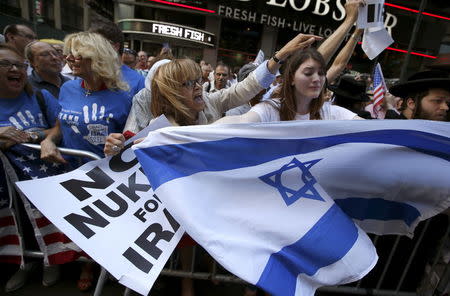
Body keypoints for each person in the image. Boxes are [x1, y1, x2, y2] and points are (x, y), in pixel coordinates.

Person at [0, 44, 66, 292]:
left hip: (44, 174)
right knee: (18, 223)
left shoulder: (39, 96)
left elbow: (60, 126)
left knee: (47, 218)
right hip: (7, 188)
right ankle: (23, 265)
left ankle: (52, 262)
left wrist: (42, 138)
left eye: (20, 65)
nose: (16, 69)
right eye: (7, 64)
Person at [214, 47, 361, 125]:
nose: (317, 79)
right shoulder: (270, 110)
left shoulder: (331, 113)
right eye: (308, 73)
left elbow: (370, 130)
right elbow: (239, 122)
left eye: (322, 73)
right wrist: (195, 134)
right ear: (291, 78)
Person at [88, 18, 145, 99]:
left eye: (97, 44)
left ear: (114, 46)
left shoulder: (138, 82)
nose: (88, 49)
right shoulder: (84, 76)